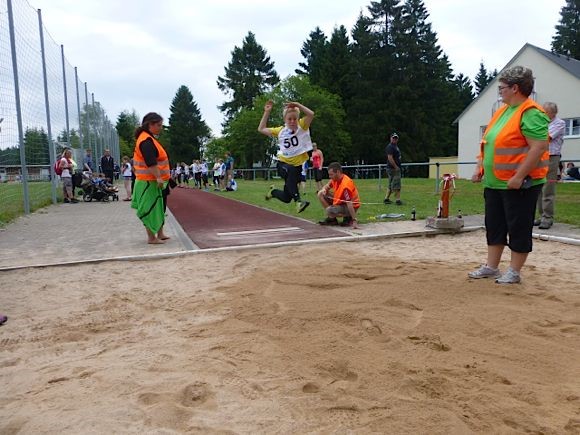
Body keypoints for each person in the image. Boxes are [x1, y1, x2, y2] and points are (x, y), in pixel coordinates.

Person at [469, 66, 549, 284]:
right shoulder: (502, 112)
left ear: (515, 88)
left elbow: (538, 147)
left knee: (518, 227)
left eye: (502, 88)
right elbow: (488, 143)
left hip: (519, 184)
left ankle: (514, 271)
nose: (500, 92)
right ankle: (492, 267)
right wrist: (479, 167)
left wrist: (518, 176)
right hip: (495, 182)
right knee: (494, 225)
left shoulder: (530, 112)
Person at [258, 100, 313, 213]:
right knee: (291, 171)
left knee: (287, 198)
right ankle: (298, 202)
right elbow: (261, 129)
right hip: (283, 164)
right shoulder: (280, 131)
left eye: (295, 119)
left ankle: (273, 192)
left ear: (298, 119)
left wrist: (298, 105)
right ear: (285, 120)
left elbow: (311, 114)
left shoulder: (302, 126)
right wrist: (267, 112)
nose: (292, 121)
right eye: (289, 119)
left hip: (297, 167)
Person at [132, 112, 171, 245]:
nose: (161, 127)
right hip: (148, 181)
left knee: (159, 207)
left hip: (153, 180)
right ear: (150, 125)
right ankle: (151, 237)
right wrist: (158, 177)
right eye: (159, 125)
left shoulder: (149, 138)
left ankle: (160, 233)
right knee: (150, 208)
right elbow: (150, 161)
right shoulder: (145, 140)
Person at [534, 102, 566, 230]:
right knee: (538, 186)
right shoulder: (541, 122)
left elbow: (545, 137)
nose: (543, 113)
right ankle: (541, 215)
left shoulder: (559, 123)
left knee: (548, 187)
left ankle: (548, 217)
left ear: (553, 113)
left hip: (552, 157)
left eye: (545, 111)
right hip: (539, 156)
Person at [317, 162, 360, 228]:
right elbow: (327, 186)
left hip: (352, 206)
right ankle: (332, 220)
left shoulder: (345, 185)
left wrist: (354, 220)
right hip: (341, 201)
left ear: (338, 172)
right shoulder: (335, 179)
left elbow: (349, 203)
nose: (329, 177)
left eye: (331, 175)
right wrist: (324, 190)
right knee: (320, 194)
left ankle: (349, 217)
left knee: (329, 210)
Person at [384, 132, 403, 205]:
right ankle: (398, 200)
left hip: (393, 168)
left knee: (391, 184)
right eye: (393, 138)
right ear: (390, 138)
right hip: (393, 169)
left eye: (396, 138)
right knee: (397, 184)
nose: (395, 139)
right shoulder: (390, 147)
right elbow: (390, 158)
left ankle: (386, 199)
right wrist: (396, 167)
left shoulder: (395, 146)